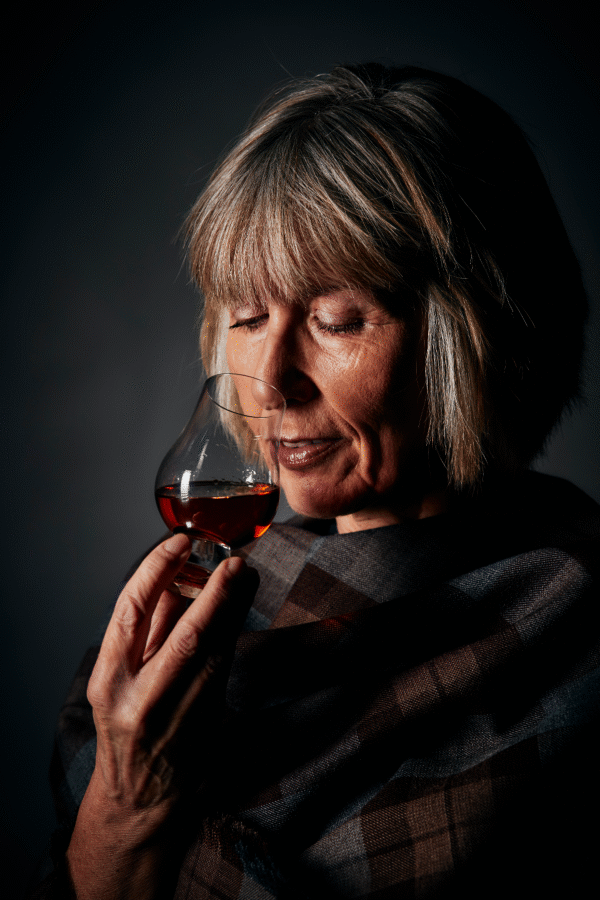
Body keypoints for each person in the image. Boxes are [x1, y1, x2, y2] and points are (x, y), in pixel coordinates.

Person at [31, 63, 598, 899]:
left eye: (336, 320)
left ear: (476, 337)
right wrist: (123, 805)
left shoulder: (578, 641)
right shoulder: (185, 638)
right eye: (248, 316)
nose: (271, 381)